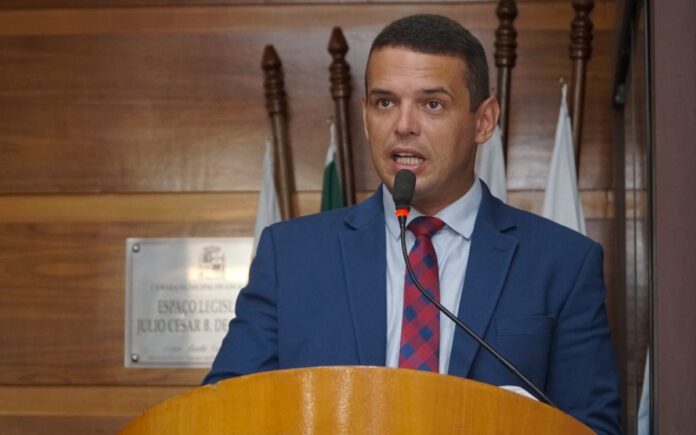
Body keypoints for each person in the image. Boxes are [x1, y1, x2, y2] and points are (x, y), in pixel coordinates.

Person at [204, 14, 621, 434]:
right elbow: (221, 416)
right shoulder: (291, 256)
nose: (403, 126)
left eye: (432, 104)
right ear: (365, 117)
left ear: (484, 120)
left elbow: (593, 428)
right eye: (385, 103)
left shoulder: (563, 264)